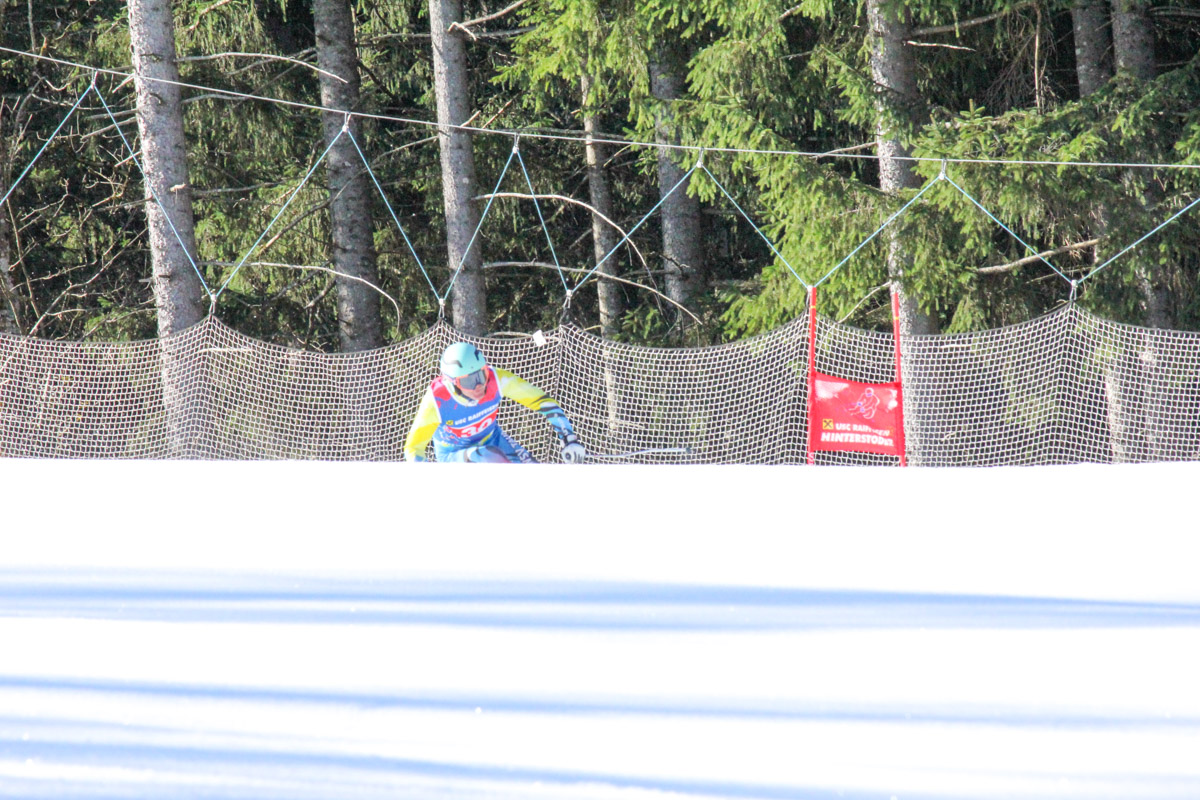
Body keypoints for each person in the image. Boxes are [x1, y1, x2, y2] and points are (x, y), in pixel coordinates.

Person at [404, 342, 587, 464]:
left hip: (494, 440)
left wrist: (568, 439)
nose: (479, 385)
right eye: (469, 381)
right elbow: (413, 448)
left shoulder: (496, 379)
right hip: (454, 455)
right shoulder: (437, 400)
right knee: (487, 457)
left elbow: (543, 402)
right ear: (452, 383)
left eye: (482, 374)